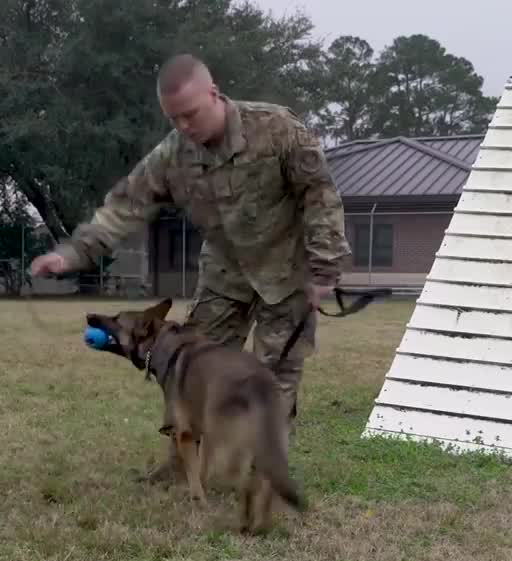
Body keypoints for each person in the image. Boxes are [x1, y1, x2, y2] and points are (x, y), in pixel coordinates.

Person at [30, 53, 351, 483]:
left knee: (275, 375)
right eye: (173, 118)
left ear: (214, 94)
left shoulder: (277, 129)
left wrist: (325, 267)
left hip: (286, 272)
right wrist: (72, 254)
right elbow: (125, 206)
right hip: (224, 275)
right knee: (189, 367)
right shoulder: (172, 155)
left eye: (190, 114)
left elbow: (319, 195)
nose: (183, 126)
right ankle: (182, 464)